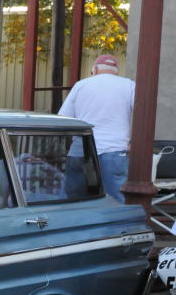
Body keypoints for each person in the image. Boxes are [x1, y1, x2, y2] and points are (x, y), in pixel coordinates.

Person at [57, 54, 135, 202]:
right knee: (116, 197)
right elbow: (142, 114)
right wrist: (133, 142)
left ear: (95, 69)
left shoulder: (81, 85)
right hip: (115, 147)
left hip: (81, 146)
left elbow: (64, 118)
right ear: (116, 71)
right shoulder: (129, 85)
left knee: (73, 196)